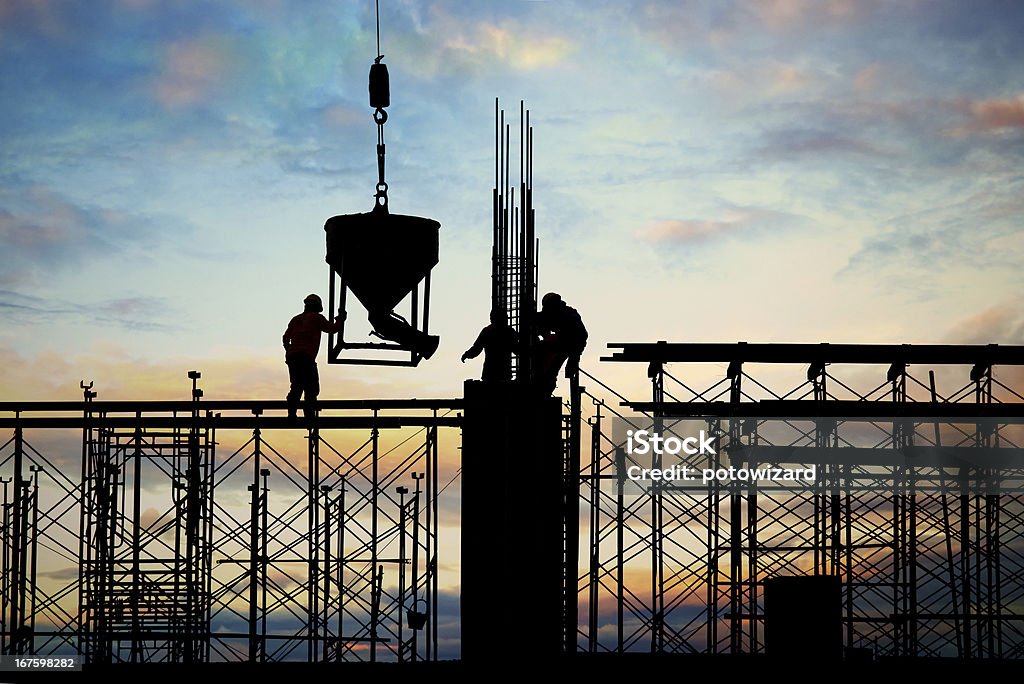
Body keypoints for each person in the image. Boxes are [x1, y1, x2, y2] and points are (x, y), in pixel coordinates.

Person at [282, 294, 342, 420]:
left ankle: (291, 415)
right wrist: (341, 319)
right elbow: (332, 329)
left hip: (293, 358)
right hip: (306, 357)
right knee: (311, 387)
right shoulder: (317, 318)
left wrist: (290, 351)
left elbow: (285, 338)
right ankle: (309, 417)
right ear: (317, 306)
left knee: (297, 385)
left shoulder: (296, 319)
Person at [533, 292, 588, 395]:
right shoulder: (555, 312)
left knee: (549, 372)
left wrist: (574, 359)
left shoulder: (569, 316)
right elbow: (542, 320)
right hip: (564, 345)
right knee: (546, 370)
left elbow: (580, 338)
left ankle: (544, 389)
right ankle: (543, 387)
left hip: (569, 346)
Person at [461, 308, 519, 382]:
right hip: (504, 373)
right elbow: (517, 350)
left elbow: (477, 348)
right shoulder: (509, 332)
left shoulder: (487, 331)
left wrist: (466, 355)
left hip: (489, 373)